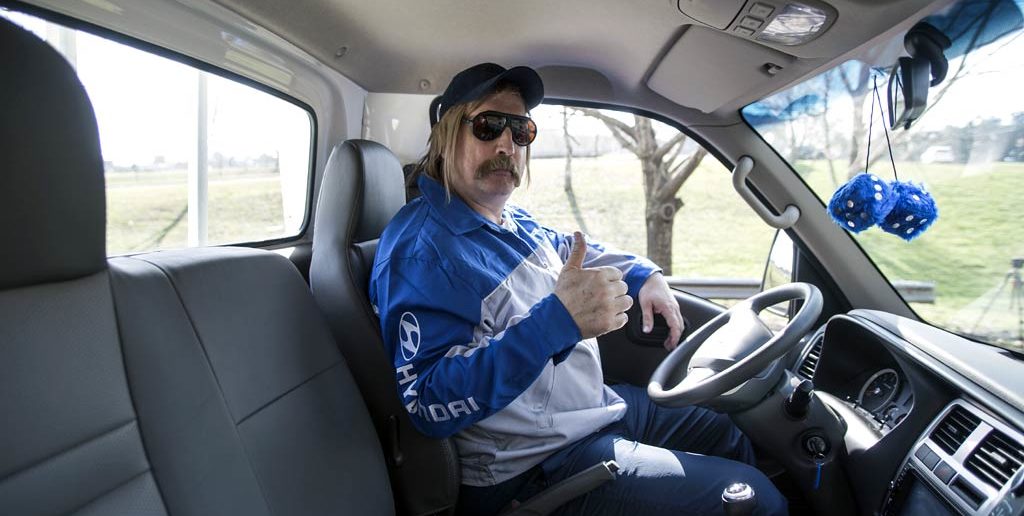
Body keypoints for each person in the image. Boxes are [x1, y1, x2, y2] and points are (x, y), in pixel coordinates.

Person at [368, 63, 787, 516]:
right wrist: (555, 324)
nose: (507, 144)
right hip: (532, 465)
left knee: (723, 428)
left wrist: (644, 274)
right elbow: (429, 402)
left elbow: (571, 248)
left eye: (521, 130)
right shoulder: (422, 253)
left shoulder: (509, 221)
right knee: (755, 500)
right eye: (488, 126)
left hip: (592, 411)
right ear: (446, 137)